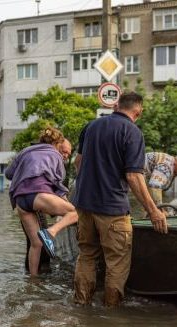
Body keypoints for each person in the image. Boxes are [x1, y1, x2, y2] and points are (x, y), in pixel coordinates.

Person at [72, 92, 168, 307]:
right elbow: (134, 176)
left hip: (84, 205)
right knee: (116, 261)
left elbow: (78, 163)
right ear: (138, 111)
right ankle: (111, 313)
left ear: (117, 105)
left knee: (86, 255)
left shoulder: (91, 126)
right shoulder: (132, 132)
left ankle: (81, 304)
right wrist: (153, 211)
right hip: (113, 208)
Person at [5, 126, 78, 276]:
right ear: (57, 144)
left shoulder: (25, 151)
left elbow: (8, 173)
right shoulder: (55, 156)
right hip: (38, 195)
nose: (65, 156)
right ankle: (51, 232)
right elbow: (58, 187)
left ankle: (33, 280)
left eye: (68, 155)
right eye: (65, 152)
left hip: (20, 200)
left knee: (36, 243)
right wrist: (67, 205)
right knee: (76, 212)